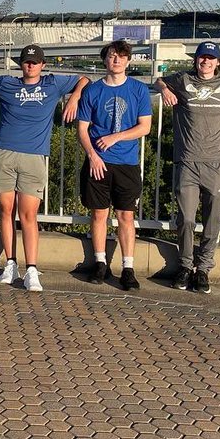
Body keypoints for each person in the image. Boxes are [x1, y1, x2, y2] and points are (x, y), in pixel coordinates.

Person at [0, 44, 88, 292]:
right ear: (21, 64)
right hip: (5, 151)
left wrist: (74, 97)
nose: (30, 65)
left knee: (28, 215)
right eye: (26, 62)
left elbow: (84, 79)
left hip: (34, 155)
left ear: (42, 65)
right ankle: (11, 263)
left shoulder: (53, 84)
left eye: (35, 62)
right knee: (5, 209)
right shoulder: (7, 83)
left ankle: (31, 269)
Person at [154, 41, 220, 293]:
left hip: (216, 163)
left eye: (211, 58)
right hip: (187, 161)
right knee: (186, 219)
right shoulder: (182, 80)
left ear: (218, 62)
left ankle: (203, 269)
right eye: (202, 57)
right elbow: (158, 80)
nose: (206, 62)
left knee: (212, 220)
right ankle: (186, 266)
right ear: (196, 60)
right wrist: (165, 89)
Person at [76, 40, 153, 290]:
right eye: (111, 56)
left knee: (125, 216)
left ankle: (127, 268)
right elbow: (82, 128)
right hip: (98, 162)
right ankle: (100, 263)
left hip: (127, 162)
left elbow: (145, 126)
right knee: (99, 214)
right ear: (105, 60)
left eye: (121, 56)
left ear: (128, 61)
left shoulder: (138, 90)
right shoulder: (93, 91)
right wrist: (93, 155)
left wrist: (116, 137)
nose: (116, 60)